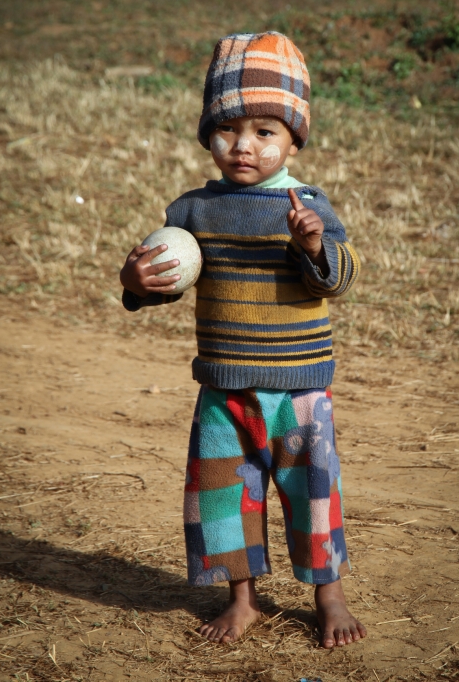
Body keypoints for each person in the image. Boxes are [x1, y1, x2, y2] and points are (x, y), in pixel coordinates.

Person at [120, 32, 367, 649]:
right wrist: (136, 280)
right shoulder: (192, 212)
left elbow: (342, 274)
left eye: (265, 131)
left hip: (300, 390)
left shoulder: (307, 204)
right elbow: (164, 279)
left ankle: (328, 595)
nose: (243, 146)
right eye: (228, 129)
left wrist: (315, 246)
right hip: (223, 388)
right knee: (223, 496)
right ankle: (242, 599)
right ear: (207, 134)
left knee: (312, 492)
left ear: (293, 139)